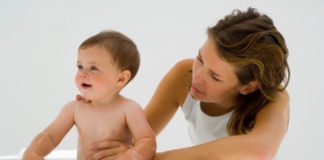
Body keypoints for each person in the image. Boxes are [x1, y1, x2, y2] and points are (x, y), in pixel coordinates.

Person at [84, 7, 290, 160]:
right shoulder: (185, 73)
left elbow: (260, 150)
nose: (197, 76)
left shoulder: (272, 100)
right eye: (200, 58)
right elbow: (132, 138)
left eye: (215, 77)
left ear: (248, 87)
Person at [23, 31, 156, 160]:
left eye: (93, 68)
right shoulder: (75, 109)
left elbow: (147, 141)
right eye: (80, 66)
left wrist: (133, 155)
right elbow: (50, 136)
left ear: (121, 79)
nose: (82, 73)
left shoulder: (129, 109)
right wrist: (33, 152)